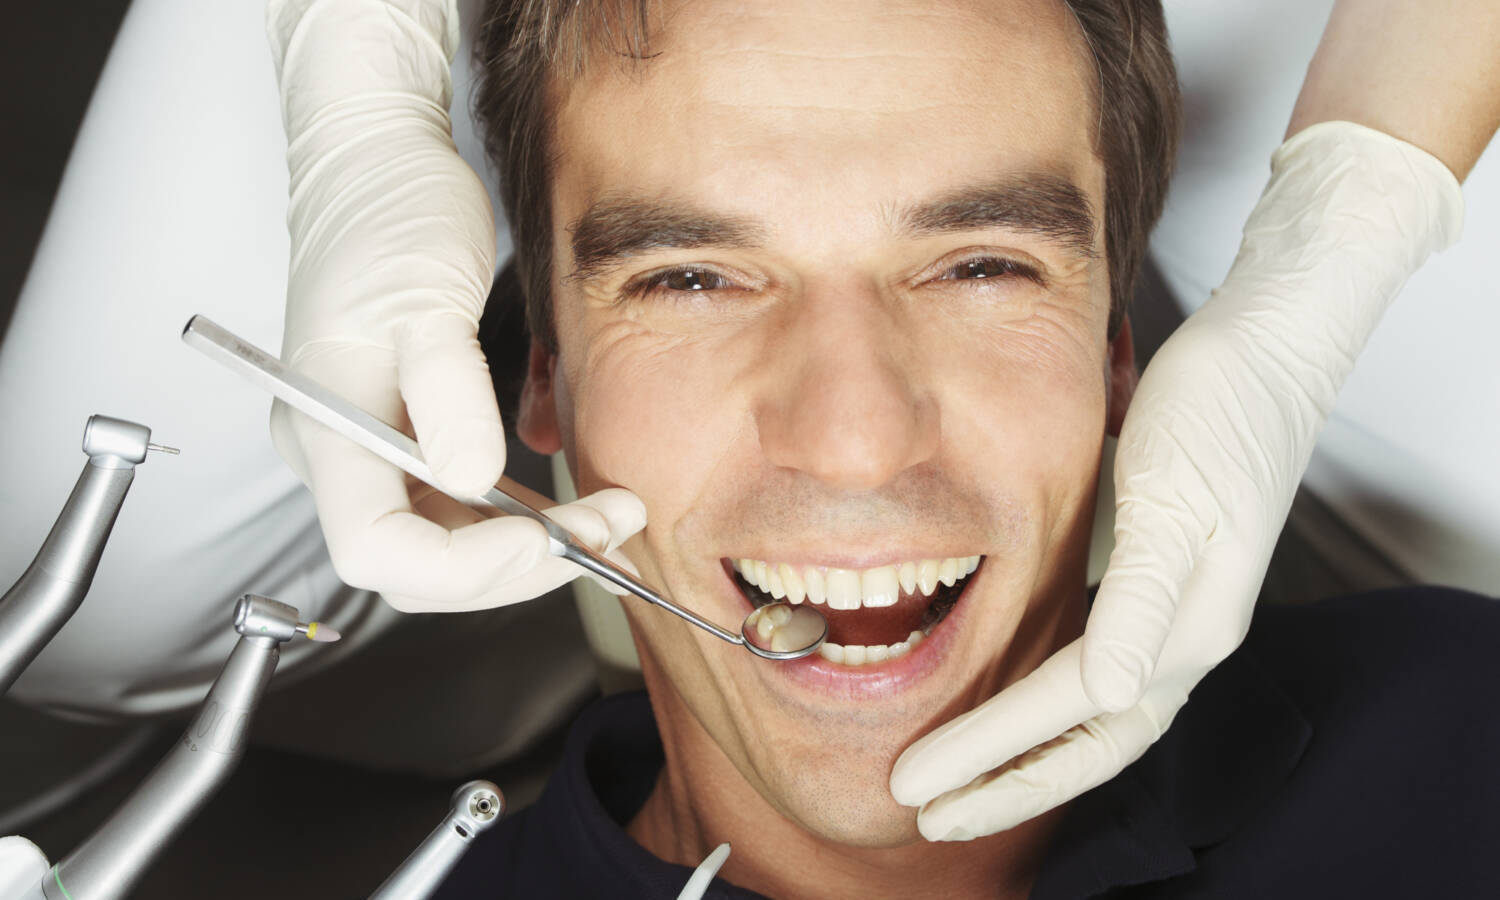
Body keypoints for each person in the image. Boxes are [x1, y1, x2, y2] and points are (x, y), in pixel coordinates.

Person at [421, 0, 1499, 895]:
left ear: (1118, 354)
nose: (856, 444)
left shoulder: (1456, 738)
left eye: (981, 268)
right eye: (691, 279)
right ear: (545, 374)